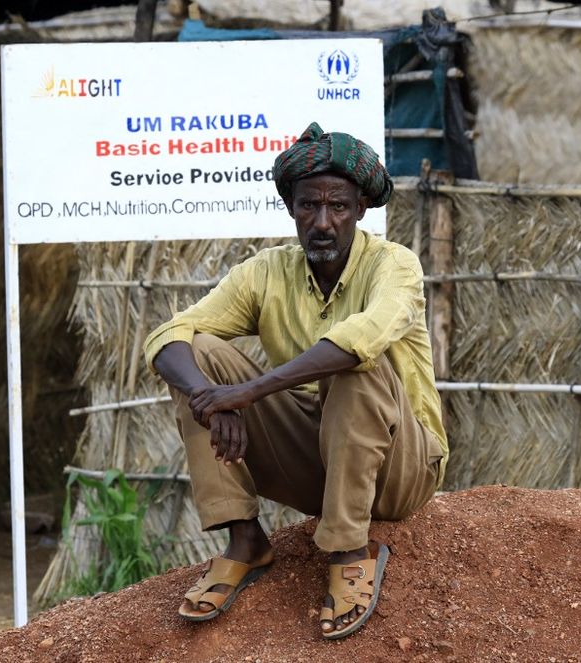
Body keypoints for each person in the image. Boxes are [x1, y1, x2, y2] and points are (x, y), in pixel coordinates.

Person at [143, 121, 447, 640]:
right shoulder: (265, 272)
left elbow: (363, 337)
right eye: (309, 206)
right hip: (320, 463)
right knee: (196, 353)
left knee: (356, 365)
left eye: (339, 207)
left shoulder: (394, 266)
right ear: (290, 208)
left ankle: (349, 551)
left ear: (361, 211)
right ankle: (245, 539)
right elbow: (169, 334)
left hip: (402, 468)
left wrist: (249, 393)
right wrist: (211, 400)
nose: (322, 222)